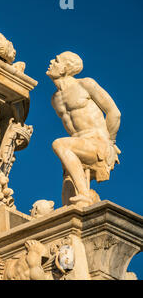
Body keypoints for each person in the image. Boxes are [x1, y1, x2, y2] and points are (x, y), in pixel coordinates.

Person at [47, 51, 121, 207]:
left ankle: (84, 195)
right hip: (76, 147)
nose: (51, 61)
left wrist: (111, 142)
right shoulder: (55, 99)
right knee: (68, 198)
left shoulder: (85, 84)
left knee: (59, 144)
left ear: (64, 69)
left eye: (57, 60)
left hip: (97, 142)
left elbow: (114, 112)